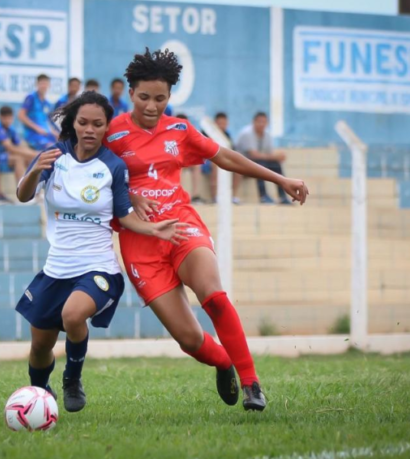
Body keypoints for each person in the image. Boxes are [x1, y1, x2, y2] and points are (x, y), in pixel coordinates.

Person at [104, 48, 309, 411]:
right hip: (139, 243)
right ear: (130, 91)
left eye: (161, 98)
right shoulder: (111, 132)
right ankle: (223, 362)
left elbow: (227, 157)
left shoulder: (180, 129)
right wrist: (128, 193)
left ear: (170, 97)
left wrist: (281, 179)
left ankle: (251, 383)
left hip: (182, 226)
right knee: (188, 338)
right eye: (144, 97)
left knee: (212, 295)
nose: (152, 106)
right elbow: (93, 175)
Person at [16, 91, 190, 412]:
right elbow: (23, 195)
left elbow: (124, 216)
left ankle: (72, 379)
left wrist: (154, 228)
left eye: (98, 124)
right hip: (57, 268)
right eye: (83, 122)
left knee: (72, 315)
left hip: (98, 267)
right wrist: (32, 171)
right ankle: (38, 398)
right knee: (40, 345)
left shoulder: (113, 165)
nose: (90, 129)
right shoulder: (52, 156)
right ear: (73, 124)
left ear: (106, 127)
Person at [234, 112, 291, 205]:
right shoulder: (247, 133)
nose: (261, 124)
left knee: (276, 165)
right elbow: (253, 155)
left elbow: (268, 154)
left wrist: (277, 157)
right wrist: (275, 156)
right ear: (253, 122)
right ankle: (263, 196)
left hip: (255, 162)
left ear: (267, 123)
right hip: (241, 164)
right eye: (259, 121)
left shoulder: (267, 135)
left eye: (264, 122)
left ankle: (282, 196)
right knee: (260, 164)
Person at [0, 106, 37, 184]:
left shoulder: (11, 129)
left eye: (9, 118)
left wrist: (33, 154)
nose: (8, 121)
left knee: (29, 159)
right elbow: (10, 148)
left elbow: (19, 147)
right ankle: (21, 189)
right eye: (5, 118)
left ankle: (35, 191)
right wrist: (35, 154)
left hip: (1, 155)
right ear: (0, 117)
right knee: (18, 159)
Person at [18, 74, 59, 150]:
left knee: (61, 146)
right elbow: (21, 115)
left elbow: (46, 122)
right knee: (50, 148)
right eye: (41, 83)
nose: (43, 86)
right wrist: (37, 128)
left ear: (49, 85)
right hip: (33, 134)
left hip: (45, 134)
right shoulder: (31, 98)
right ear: (37, 84)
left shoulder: (47, 104)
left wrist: (54, 132)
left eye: (45, 83)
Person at [201, 112, 234, 203]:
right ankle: (215, 196)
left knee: (237, 167)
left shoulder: (227, 135)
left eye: (224, 124)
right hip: (205, 161)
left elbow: (231, 151)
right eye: (219, 123)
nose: (222, 126)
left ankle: (232, 196)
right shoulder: (206, 133)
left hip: (222, 160)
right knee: (215, 164)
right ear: (214, 124)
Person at [175, 113, 203, 204]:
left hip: (184, 160)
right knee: (177, 165)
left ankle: (195, 196)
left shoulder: (190, 133)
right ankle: (177, 196)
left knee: (197, 165)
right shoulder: (169, 133)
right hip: (172, 162)